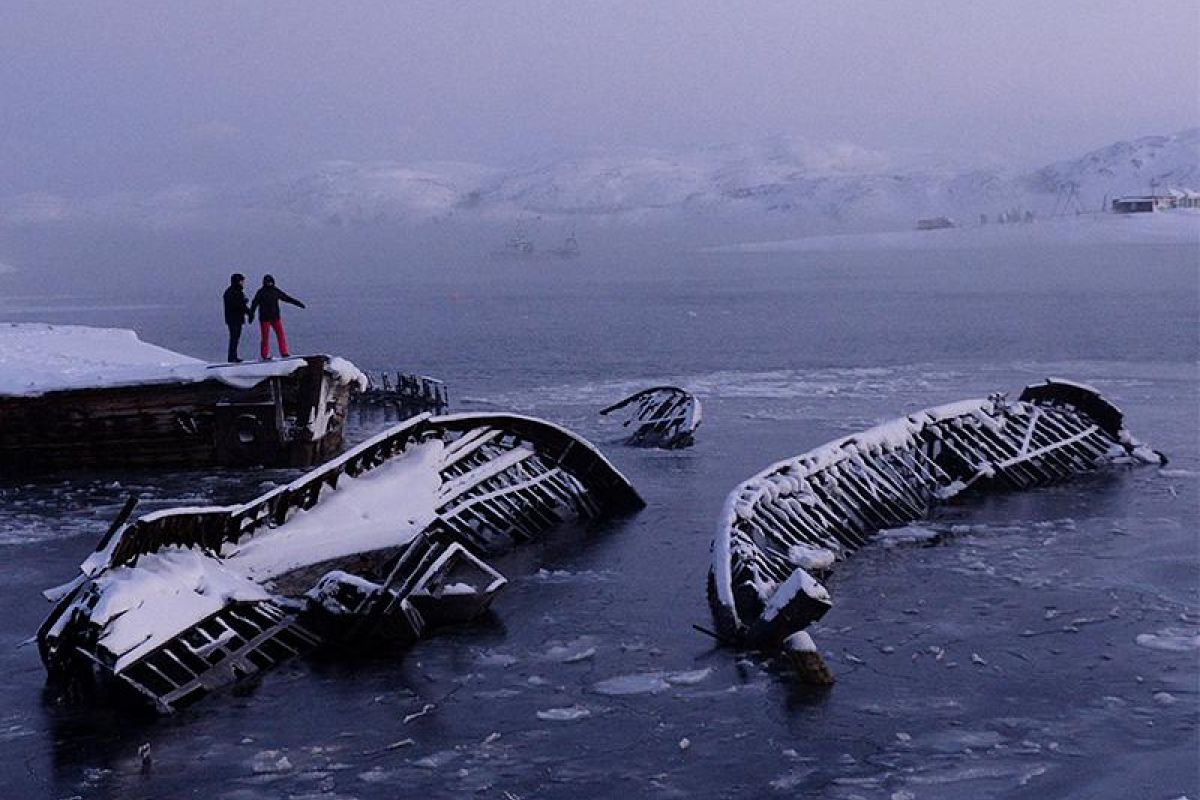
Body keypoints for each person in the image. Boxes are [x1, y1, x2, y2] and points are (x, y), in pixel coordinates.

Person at [249, 274, 306, 359]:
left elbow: (286, 298)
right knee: (265, 338)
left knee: (280, 335)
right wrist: (251, 315)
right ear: (264, 282)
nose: (269, 284)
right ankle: (264, 355)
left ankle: (284, 352)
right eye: (267, 282)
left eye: (270, 282)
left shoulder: (275, 291)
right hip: (265, 319)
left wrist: (298, 303)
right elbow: (254, 304)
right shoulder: (261, 292)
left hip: (275, 318)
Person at [222, 273, 251, 362]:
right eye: (242, 281)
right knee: (234, 338)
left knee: (235, 338)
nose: (243, 283)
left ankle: (233, 356)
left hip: (235, 318)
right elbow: (238, 305)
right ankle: (232, 357)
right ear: (237, 282)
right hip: (233, 319)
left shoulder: (235, 291)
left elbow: (240, 304)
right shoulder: (232, 292)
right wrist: (248, 311)